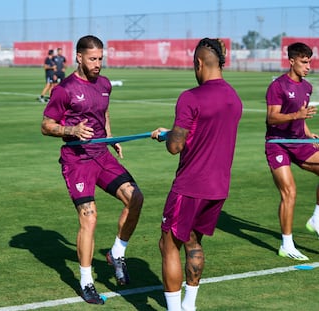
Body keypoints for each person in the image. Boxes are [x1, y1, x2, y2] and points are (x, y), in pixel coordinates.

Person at [41, 35, 143, 305]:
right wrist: (71, 130)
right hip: (77, 160)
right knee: (90, 217)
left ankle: (116, 253)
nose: (98, 64)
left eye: (101, 58)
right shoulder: (65, 89)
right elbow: (46, 125)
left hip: (102, 155)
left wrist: (111, 138)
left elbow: (104, 113)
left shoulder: (105, 84)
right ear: (79, 57)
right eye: (92, 59)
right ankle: (86, 281)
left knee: (136, 198)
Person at [151, 38, 242, 311]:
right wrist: (179, 130)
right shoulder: (233, 98)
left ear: (199, 63)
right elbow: (204, 131)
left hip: (190, 185)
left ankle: (173, 309)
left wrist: (167, 136)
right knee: (193, 241)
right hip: (218, 187)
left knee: (168, 245)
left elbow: (175, 146)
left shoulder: (190, 97)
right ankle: (189, 305)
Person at [264, 42, 319, 261]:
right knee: (290, 192)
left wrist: (308, 131)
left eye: (310, 62)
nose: (308, 66)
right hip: (277, 143)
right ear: (292, 61)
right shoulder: (277, 86)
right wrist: (296, 116)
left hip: (299, 142)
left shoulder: (307, 87)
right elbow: (272, 117)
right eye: (304, 62)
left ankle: (316, 218)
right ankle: (287, 244)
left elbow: (301, 116)